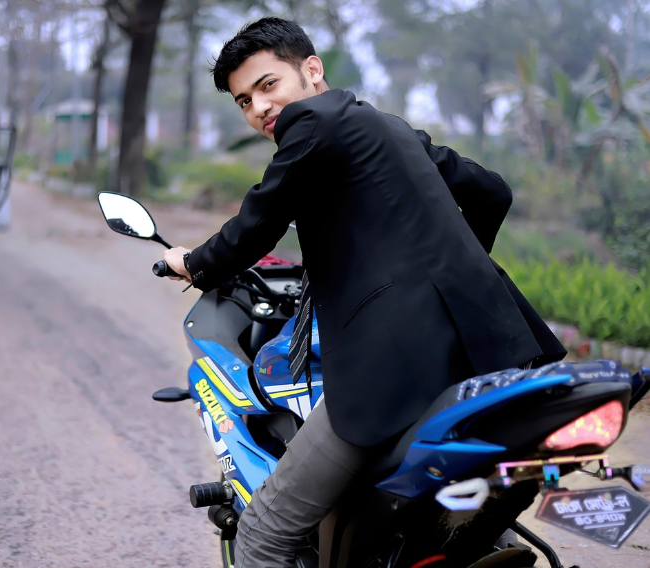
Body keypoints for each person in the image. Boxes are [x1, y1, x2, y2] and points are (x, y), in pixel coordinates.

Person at [163, 17, 566, 568]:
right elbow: (491, 191)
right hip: (490, 353)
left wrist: (191, 262)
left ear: (312, 70)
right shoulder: (387, 128)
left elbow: (259, 220)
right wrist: (451, 272)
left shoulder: (313, 123)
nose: (259, 107)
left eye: (267, 84)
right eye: (244, 101)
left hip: (396, 367)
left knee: (262, 532)